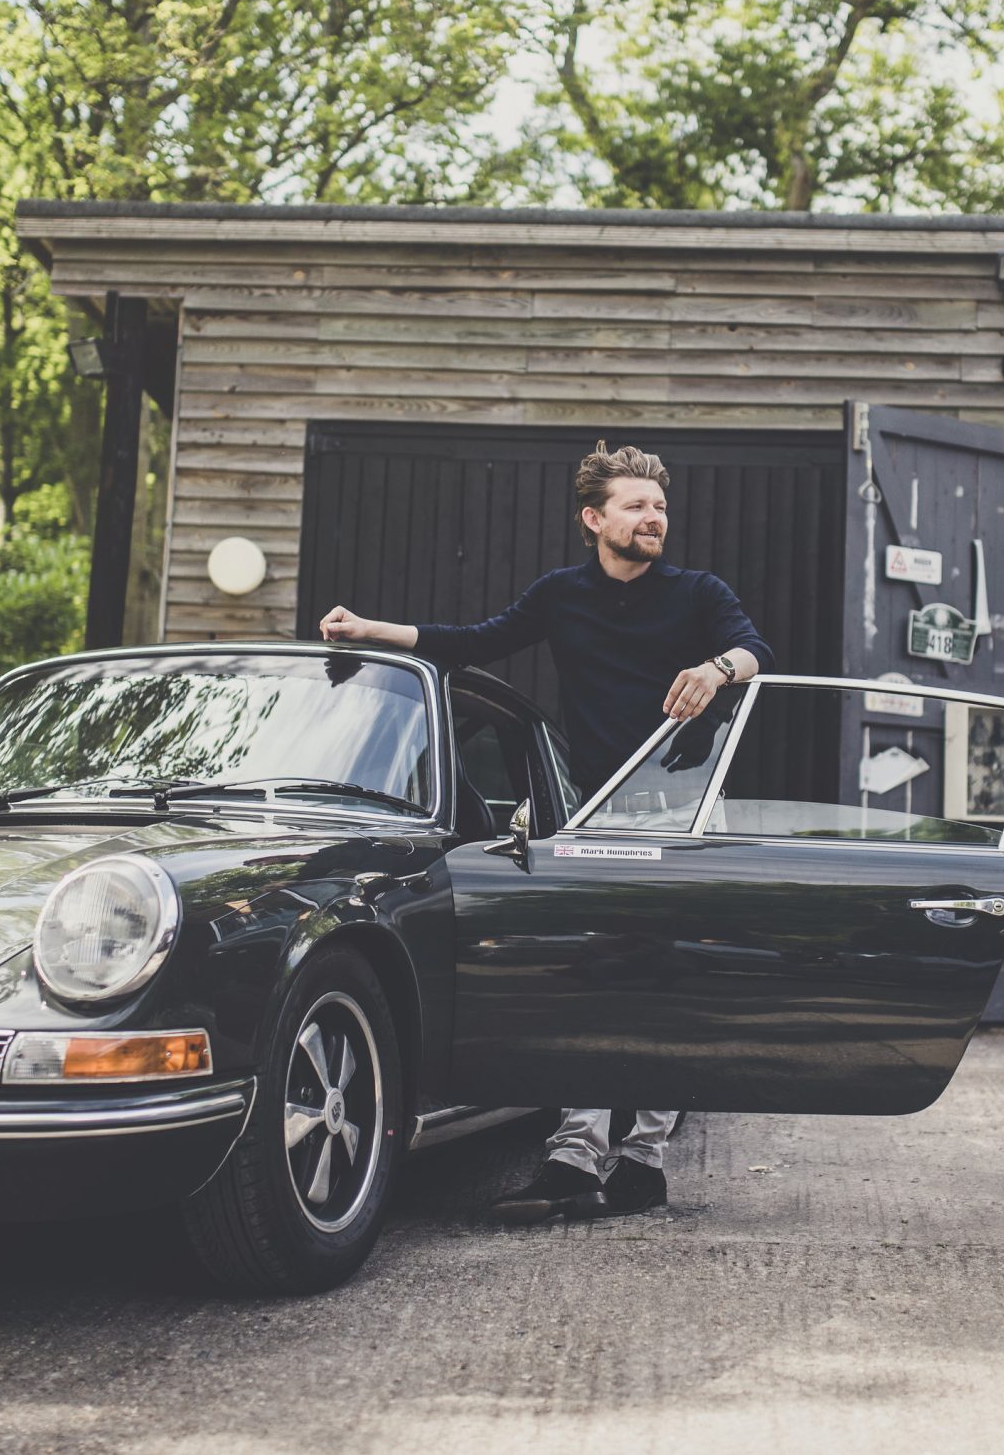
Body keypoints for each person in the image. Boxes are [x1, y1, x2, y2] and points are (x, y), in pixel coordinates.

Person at [318, 441, 770, 1223]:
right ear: (596, 519)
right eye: (636, 505)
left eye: (659, 505)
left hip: (681, 810)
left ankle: (644, 1159)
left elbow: (756, 648)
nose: (653, 516)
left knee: (663, 980)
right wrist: (367, 629)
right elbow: (470, 640)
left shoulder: (698, 591)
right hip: (590, 812)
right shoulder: (562, 594)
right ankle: (573, 1156)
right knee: (590, 974)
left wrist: (718, 669)